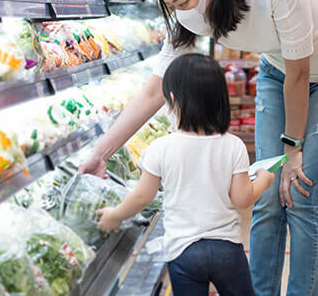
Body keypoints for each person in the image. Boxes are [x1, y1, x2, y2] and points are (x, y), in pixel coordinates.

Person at [81, 0, 318, 296]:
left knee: (299, 193)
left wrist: (293, 150)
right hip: (278, 68)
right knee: (266, 199)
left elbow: (301, 73)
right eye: (170, 5)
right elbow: (156, 91)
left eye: (182, 2)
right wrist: (101, 152)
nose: (179, 12)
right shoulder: (186, 13)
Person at [96, 54, 274, 296]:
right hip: (227, 250)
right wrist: (264, 179)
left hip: (183, 251)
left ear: (171, 100)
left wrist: (115, 215)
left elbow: (141, 197)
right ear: (221, 101)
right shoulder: (233, 145)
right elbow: (242, 199)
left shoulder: (160, 147)